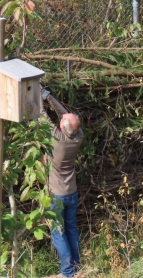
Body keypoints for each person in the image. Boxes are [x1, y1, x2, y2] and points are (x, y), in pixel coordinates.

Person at [40, 86, 84, 277]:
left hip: (56, 195)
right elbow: (64, 116)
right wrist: (48, 96)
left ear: (61, 127)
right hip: (71, 193)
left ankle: (67, 272)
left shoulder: (57, 139)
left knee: (58, 233)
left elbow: (41, 116)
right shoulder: (78, 136)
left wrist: (36, 95)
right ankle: (76, 266)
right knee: (71, 228)